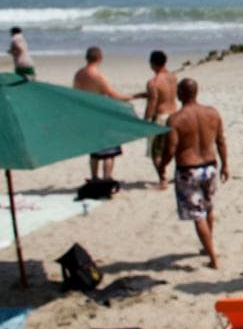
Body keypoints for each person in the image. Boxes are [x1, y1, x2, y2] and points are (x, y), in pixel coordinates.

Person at [158, 78, 229, 268]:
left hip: (189, 170)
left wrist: (162, 165)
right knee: (209, 208)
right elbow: (221, 141)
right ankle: (208, 246)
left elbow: (171, 149)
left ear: (180, 94)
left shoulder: (176, 119)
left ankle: (213, 258)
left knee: (198, 216)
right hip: (210, 166)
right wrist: (225, 164)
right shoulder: (212, 113)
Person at [73, 46, 138, 180]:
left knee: (94, 151)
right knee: (109, 151)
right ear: (100, 58)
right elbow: (114, 96)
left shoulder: (79, 74)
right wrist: (135, 96)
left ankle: (94, 178)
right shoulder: (98, 76)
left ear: (87, 58)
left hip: (87, 115)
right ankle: (107, 178)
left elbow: (76, 95)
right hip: (101, 115)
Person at [141, 50, 178, 189]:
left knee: (156, 152)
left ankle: (163, 180)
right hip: (175, 114)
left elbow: (152, 103)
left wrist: (145, 121)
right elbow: (168, 93)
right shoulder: (173, 77)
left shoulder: (153, 82)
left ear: (152, 63)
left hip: (161, 118)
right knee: (173, 148)